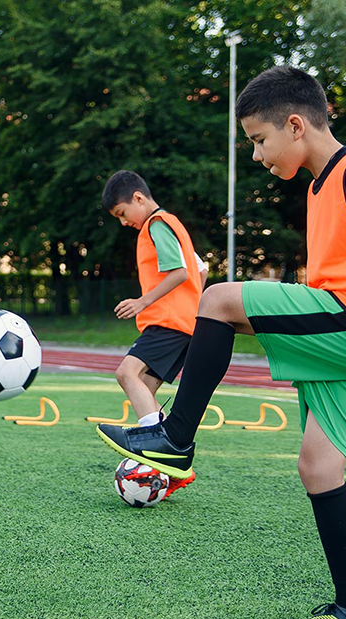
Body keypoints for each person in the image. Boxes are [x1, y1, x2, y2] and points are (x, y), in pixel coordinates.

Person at [96, 67, 346, 619]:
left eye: (259, 141)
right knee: (318, 468)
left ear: (295, 125)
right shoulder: (320, 187)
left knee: (217, 299)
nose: (259, 155)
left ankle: (174, 440)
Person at [100, 170, 207, 498]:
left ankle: (161, 449)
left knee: (126, 373)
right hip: (183, 323)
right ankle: (176, 468)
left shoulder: (156, 224)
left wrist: (141, 302)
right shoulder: (172, 223)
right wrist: (195, 306)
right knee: (144, 387)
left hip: (168, 322)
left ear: (138, 198)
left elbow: (180, 272)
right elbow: (200, 269)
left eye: (122, 214)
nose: (123, 222)